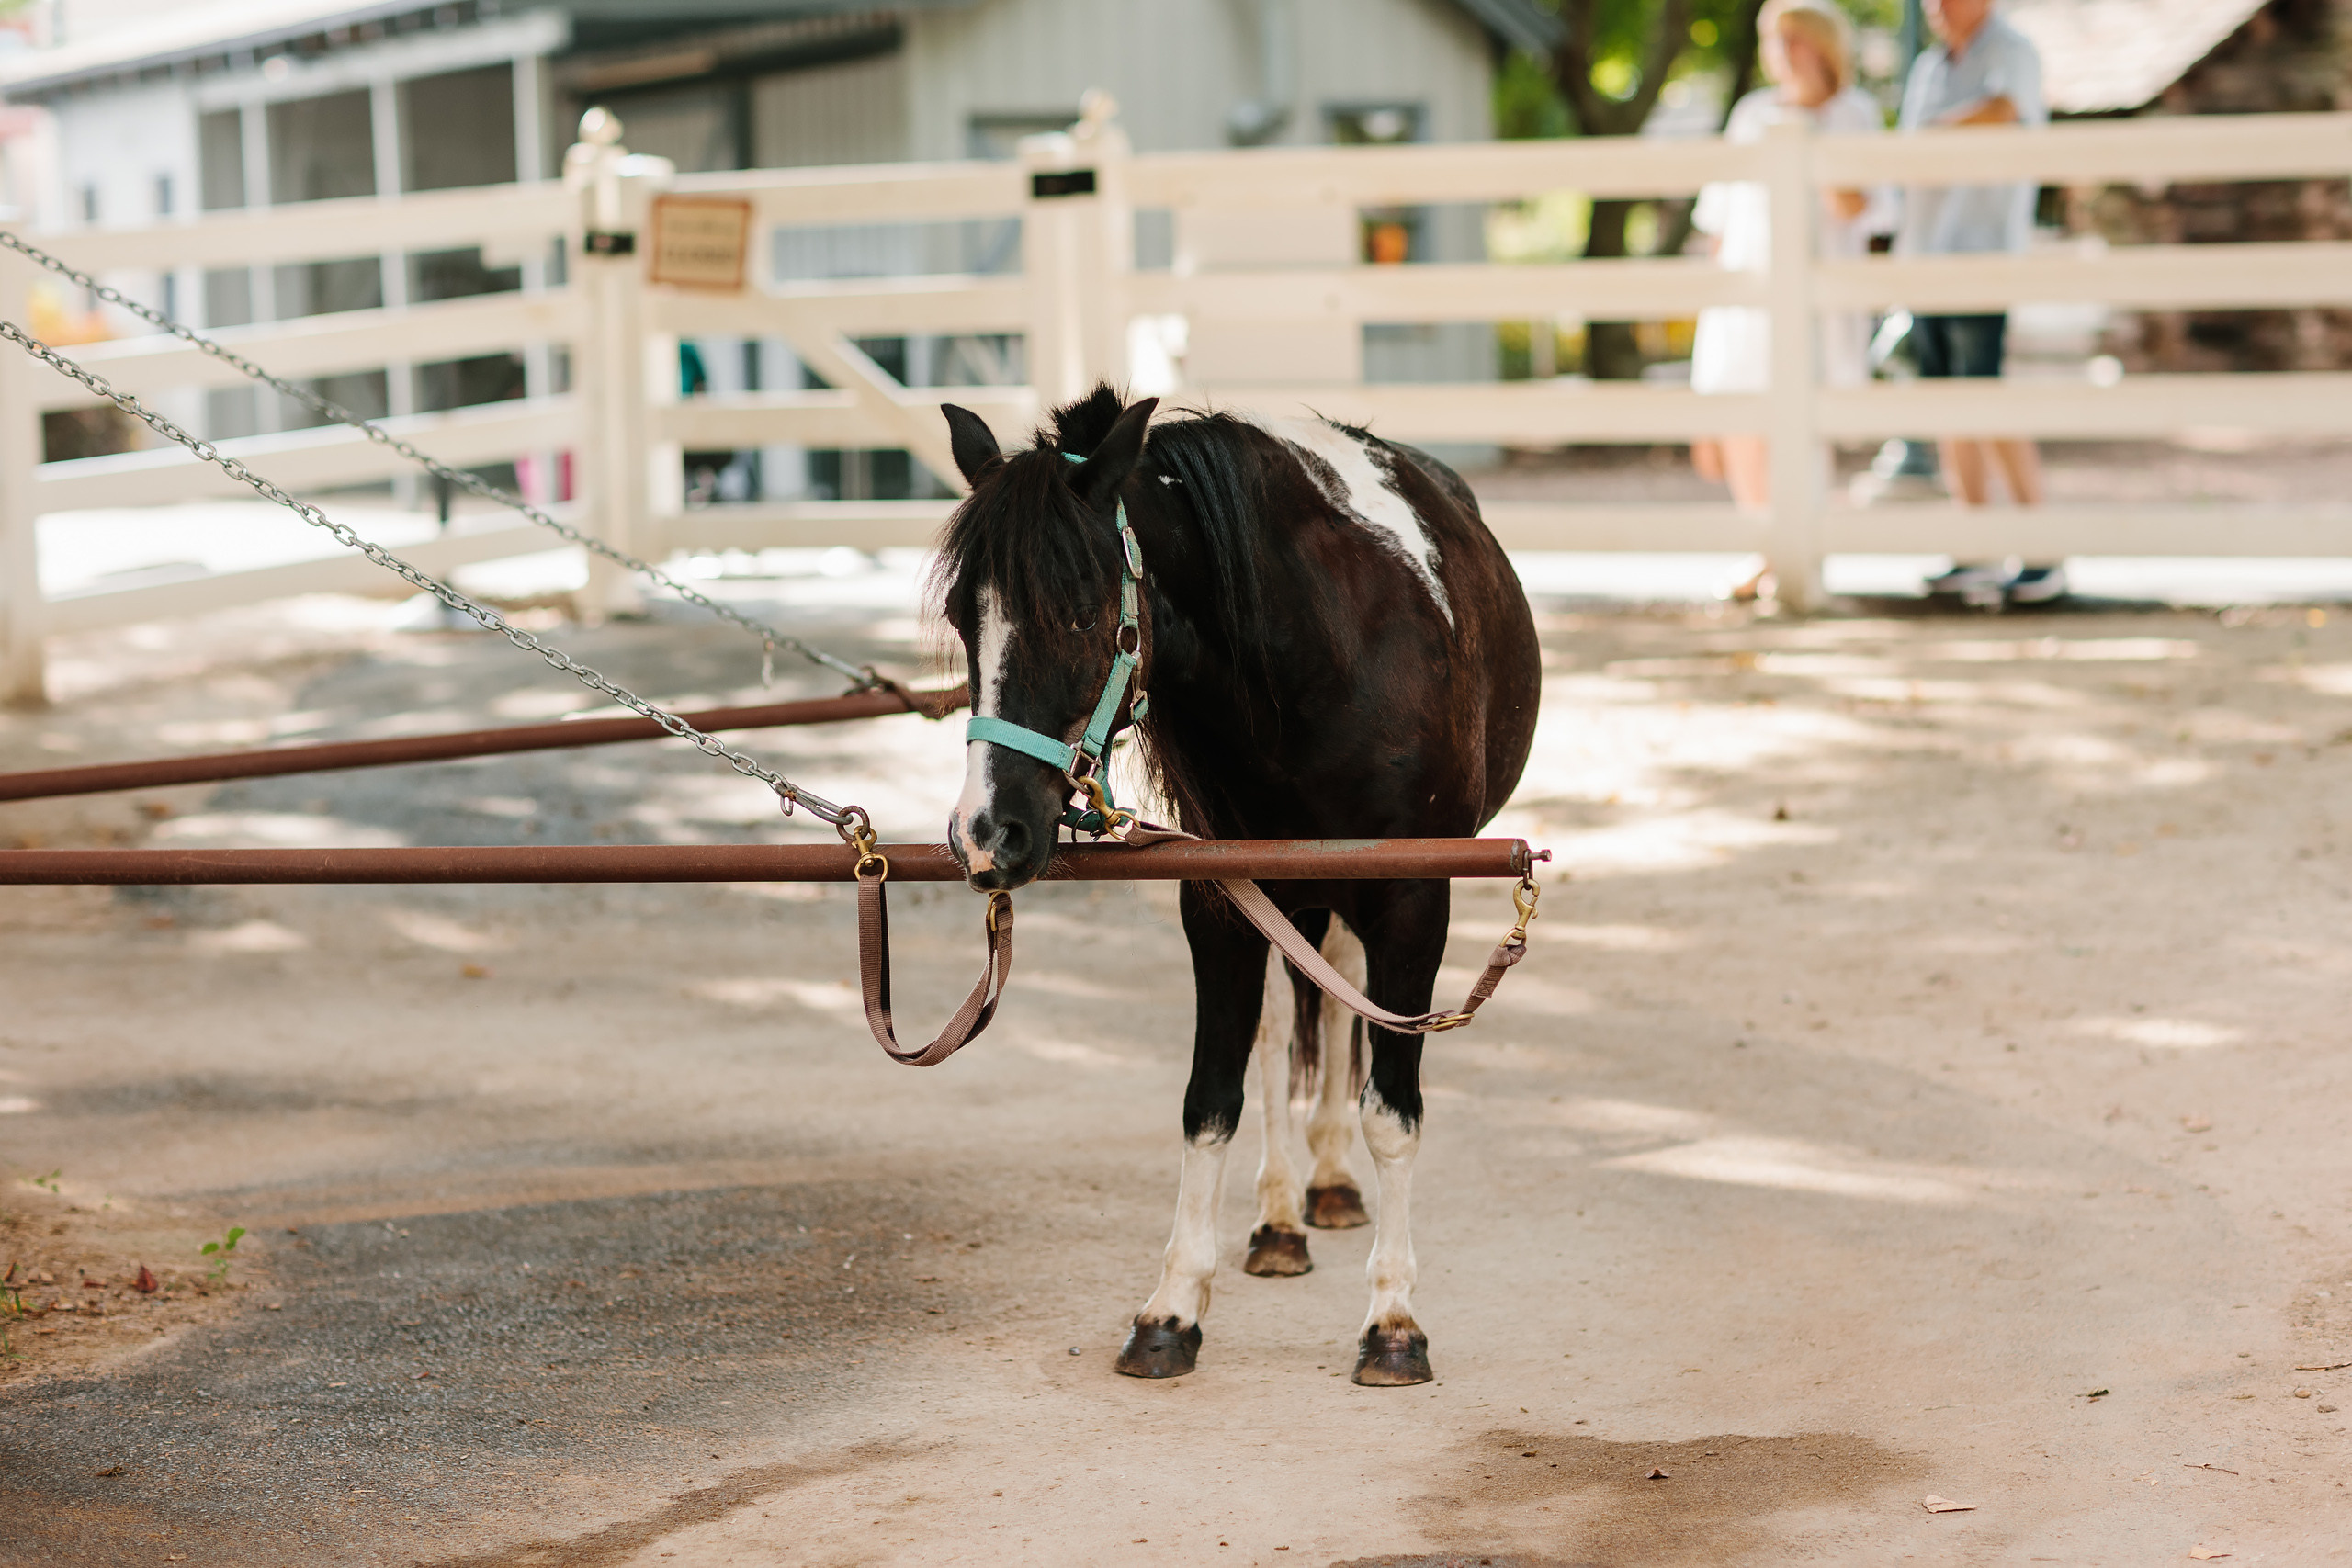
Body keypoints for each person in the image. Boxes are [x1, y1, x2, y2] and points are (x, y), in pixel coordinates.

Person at [1689, 0, 1888, 602]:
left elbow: (1857, 208)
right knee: (1741, 417)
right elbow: (1720, 213)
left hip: (1820, 296)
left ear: (1824, 47)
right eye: (1776, 41)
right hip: (1747, 290)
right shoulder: (1751, 113)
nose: (1784, 53)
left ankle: (1805, 556)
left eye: (1796, 40)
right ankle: (1766, 547)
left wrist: (1808, 130)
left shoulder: (1855, 114)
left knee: (1804, 425)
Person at [1897, 0, 2060, 606]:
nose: (1935, 6)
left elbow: (2005, 110)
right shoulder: (1928, 67)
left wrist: (1933, 138)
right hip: (1925, 255)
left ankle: (2039, 548)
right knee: (1949, 403)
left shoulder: (2011, 51)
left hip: (1980, 251)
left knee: (1986, 394)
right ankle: (1974, 546)